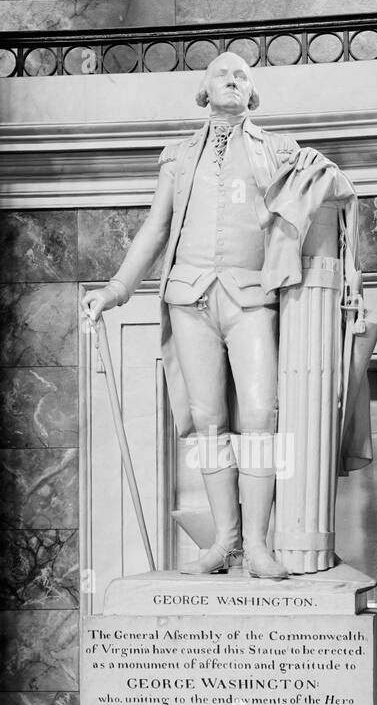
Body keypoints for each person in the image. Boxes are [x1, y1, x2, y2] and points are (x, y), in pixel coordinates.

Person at [83, 52, 327, 579]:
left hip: (250, 296)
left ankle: (258, 545)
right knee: (208, 422)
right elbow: (155, 227)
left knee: (261, 416)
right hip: (188, 296)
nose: (233, 80)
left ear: (252, 92)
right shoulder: (177, 155)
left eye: (243, 75)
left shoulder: (282, 151)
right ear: (205, 89)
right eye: (224, 73)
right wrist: (116, 289)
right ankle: (225, 542)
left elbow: (316, 203)